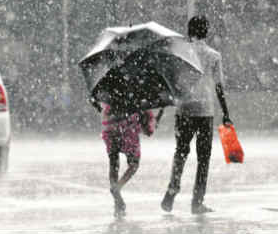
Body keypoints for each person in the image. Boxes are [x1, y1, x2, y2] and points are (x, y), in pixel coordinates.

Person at [161, 15, 233, 215]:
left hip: (184, 108)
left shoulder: (180, 54)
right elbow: (219, 87)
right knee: (204, 158)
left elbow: (171, 84)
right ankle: (197, 202)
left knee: (181, 151)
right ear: (206, 32)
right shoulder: (214, 55)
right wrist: (226, 113)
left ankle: (172, 189)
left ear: (189, 31)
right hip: (204, 110)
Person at [100, 98, 158, 218]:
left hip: (111, 131)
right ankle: (118, 187)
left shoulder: (112, 92)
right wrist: (152, 125)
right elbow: (148, 130)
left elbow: (105, 116)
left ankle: (117, 200)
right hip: (128, 131)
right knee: (134, 165)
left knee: (113, 164)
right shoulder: (141, 95)